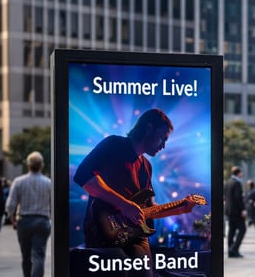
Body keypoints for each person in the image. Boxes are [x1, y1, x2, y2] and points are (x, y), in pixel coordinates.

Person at [73, 108, 196, 258]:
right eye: (162, 138)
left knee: (146, 272)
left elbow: (148, 209)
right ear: (149, 128)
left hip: (135, 236)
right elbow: (82, 176)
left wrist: (181, 208)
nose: (163, 145)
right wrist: (124, 205)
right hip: (102, 232)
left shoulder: (146, 166)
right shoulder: (114, 144)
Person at [5, 151, 52, 277]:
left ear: (28, 165)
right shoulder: (48, 183)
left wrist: (13, 220)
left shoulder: (18, 181)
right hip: (42, 221)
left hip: (24, 221)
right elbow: (53, 205)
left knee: (26, 257)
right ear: (41, 165)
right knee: (38, 256)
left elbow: (10, 205)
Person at [224, 166, 246, 258]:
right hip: (236, 211)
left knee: (231, 231)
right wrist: (242, 209)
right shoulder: (237, 183)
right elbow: (238, 197)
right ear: (238, 173)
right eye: (241, 172)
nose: (242, 174)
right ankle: (234, 248)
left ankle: (230, 251)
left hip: (229, 210)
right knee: (242, 229)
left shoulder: (228, 182)